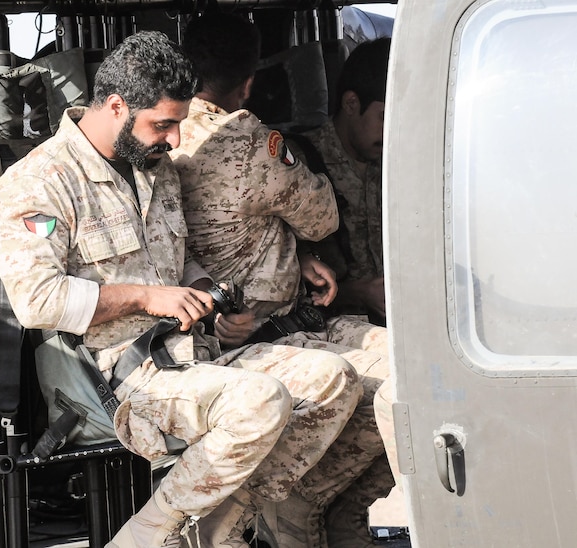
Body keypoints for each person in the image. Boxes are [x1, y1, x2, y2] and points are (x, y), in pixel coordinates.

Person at [0, 30, 364, 548]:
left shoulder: (153, 169)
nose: (172, 140)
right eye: (162, 124)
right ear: (117, 105)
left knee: (335, 380)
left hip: (195, 355)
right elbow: (37, 301)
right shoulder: (40, 181)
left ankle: (217, 525)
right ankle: (149, 534)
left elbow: (176, 258)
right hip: (117, 380)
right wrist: (147, 297)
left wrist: (207, 294)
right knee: (260, 402)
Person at [170, 13, 394, 547]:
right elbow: (321, 217)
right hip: (270, 334)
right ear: (248, 82)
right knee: (397, 385)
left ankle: (326, 514)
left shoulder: (162, 140)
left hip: (209, 335)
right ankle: (303, 498)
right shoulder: (249, 139)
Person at [303, 37, 391, 327]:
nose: (392, 130)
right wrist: (359, 293)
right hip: (328, 330)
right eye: (384, 117)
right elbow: (285, 281)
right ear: (351, 103)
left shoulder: (398, 162)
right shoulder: (303, 167)